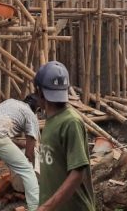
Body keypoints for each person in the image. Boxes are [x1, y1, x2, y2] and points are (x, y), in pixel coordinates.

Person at [34, 61, 96, 211]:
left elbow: (77, 173)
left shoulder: (70, 122)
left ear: (40, 92)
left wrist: (46, 207)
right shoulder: (51, 120)